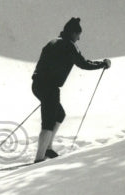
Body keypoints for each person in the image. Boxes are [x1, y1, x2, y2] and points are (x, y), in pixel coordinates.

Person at [31, 17, 110, 162]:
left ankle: (47, 149)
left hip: (38, 84)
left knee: (59, 114)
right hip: (50, 87)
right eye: (78, 35)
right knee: (48, 122)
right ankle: (39, 159)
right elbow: (84, 63)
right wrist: (102, 64)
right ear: (73, 33)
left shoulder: (52, 42)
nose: (79, 38)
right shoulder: (69, 45)